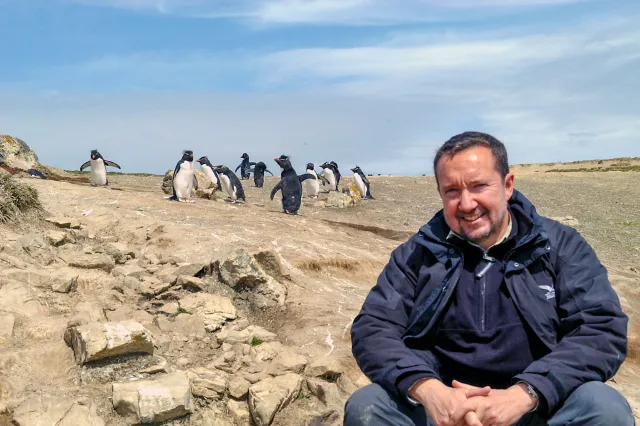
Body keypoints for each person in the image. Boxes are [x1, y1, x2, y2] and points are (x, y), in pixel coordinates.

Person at [345, 131, 633, 426]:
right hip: (444, 410)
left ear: (507, 185)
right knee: (369, 406)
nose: (467, 204)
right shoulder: (417, 254)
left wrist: (526, 393)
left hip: (535, 407)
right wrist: (427, 389)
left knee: (603, 407)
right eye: (452, 191)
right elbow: (373, 327)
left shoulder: (559, 246)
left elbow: (600, 328)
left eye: (479, 186)